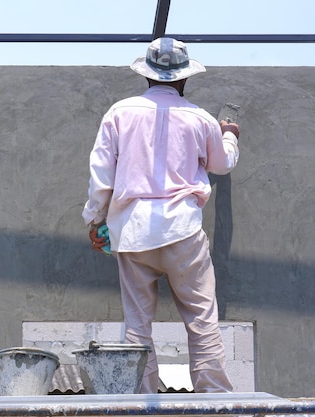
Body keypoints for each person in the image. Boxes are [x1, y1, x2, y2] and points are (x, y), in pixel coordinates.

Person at [82, 37, 240, 394]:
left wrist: (95, 220)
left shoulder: (120, 113)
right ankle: (214, 400)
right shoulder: (200, 118)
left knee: (137, 326)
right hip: (183, 231)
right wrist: (229, 136)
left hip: (132, 234)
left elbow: (101, 176)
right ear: (184, 79)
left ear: (147, 76)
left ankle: (143, 401)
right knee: (201, 320)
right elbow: (221, 164)